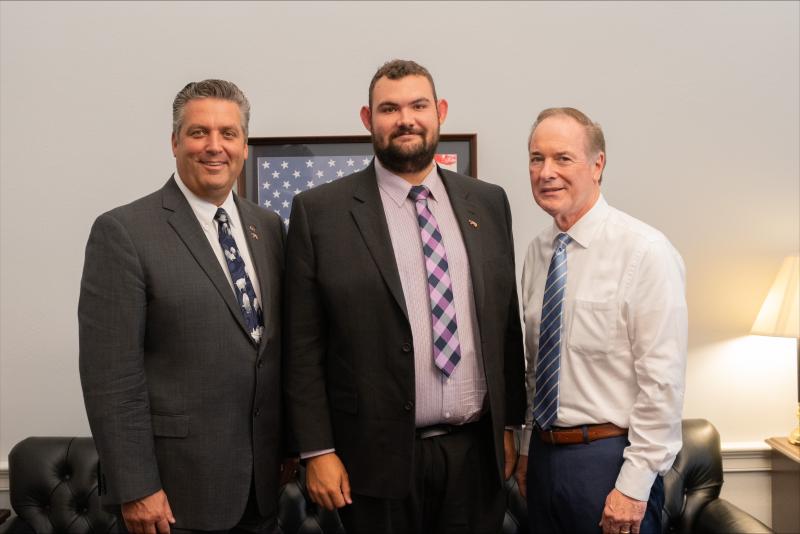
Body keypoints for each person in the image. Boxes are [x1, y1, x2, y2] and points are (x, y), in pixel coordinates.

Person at [284, 59, 526, 534]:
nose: (405, 119)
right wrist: (316, 450)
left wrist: (510, 425)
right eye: (389, 108)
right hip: (371, 462)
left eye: (418, 105)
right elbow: (302, 346)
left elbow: (505, 323)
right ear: (366, 119)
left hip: (475, 457)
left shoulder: (489, 202)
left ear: (440, 112)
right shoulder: (321, 213)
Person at [79, 79, 286, 533]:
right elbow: (110, 379)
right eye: (198, 133)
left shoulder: (268, 227)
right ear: (175, 141)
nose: (215, 147)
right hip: (173, 499)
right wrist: (136, 488)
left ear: (245, 146)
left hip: (261, 491)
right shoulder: (125, 232)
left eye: (228, 134)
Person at [514, 107, 687, 534]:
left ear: (598, 164)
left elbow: (661, 382)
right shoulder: (538, 253)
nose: (546, 172)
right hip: (544, 460)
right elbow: (536, 369)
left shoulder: (645, 250)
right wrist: (525, 452)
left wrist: (633, 485)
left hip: (609, 462)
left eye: (562, 158)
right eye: (537, 158)